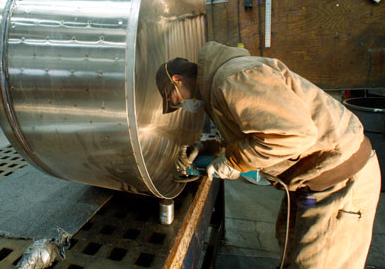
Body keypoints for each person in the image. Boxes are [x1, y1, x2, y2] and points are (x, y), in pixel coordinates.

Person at [155, 41, 381, 269]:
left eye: (172, 99)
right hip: (311, 185)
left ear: (177, 80)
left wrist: (234, 162)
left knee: (314, 262)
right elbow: (254, 132)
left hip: (340, 182)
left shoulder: (232, 78)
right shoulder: (219, 82)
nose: (179, 106)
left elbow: (294, 134)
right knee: (290, 247)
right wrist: (209, 148)